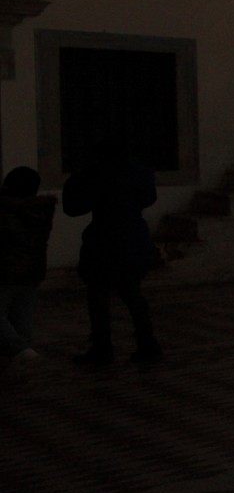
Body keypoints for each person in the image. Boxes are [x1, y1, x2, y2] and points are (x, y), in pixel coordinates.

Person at [63, 138, 162, 365]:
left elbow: (74, 207)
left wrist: (81, 175)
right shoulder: (140, 173)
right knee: (132, 294)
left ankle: (102, 347)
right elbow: (148, 198)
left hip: (105, 241)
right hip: (134, 239)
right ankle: (147, 342)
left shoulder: (100, 175)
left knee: (98, 296)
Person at [0, 166, 55, 365]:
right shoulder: (41, 209)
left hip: (7, 269)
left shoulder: (7, 211)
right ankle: (20, 352)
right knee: (21, 315)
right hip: (33, 269)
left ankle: (20, 349)